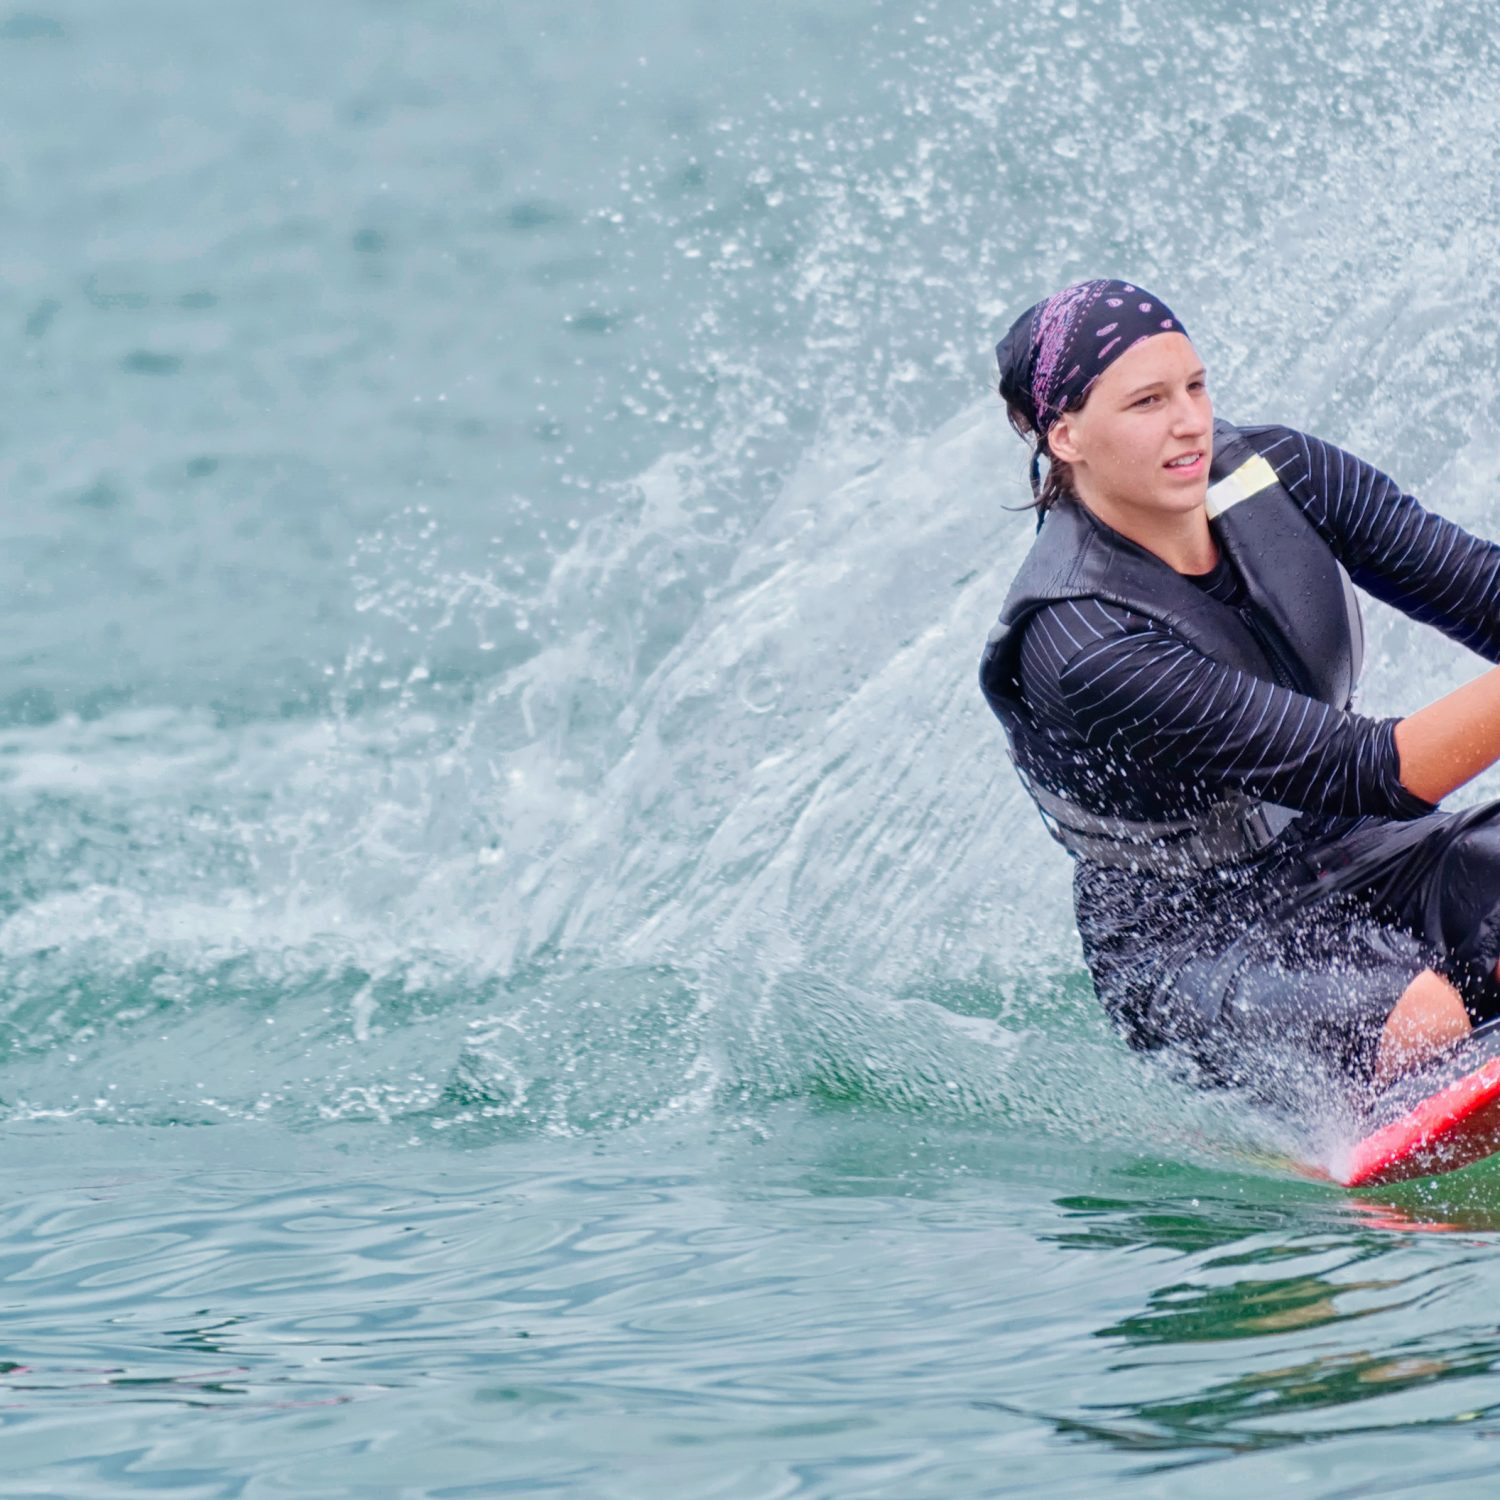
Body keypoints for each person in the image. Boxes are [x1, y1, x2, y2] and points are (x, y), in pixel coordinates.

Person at [979, 277, 1500, 1112]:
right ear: (1065, 433)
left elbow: (1485, 593)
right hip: (1192, 933)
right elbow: (1371, 770)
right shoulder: (1080, 641)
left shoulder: (1280, 472)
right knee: (1428, 1022)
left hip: (1355, 844)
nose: (1189, 420)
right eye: (1146, 401)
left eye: (1194, 386)